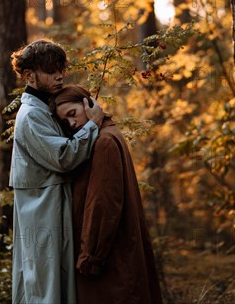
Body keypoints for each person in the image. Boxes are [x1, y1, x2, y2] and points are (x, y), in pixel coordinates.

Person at [9, 40, 105, 304]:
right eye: (51, 70)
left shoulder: (45, 108)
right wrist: (93, 126)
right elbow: (63, 157)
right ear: (29, 75)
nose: (59, 75)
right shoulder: (30, 115)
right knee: (43, 286)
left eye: (60, 68)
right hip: (41, 214)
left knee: (54, 284)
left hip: (51, 209)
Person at [51, 85, 163, 304]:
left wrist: (90, 257)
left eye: (72, 114)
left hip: (109, 262)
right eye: (65, 122)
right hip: (115, 255)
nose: (72, 124)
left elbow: (102, 205)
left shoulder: (104, 142)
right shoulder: (108, 135)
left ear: (88, 104)